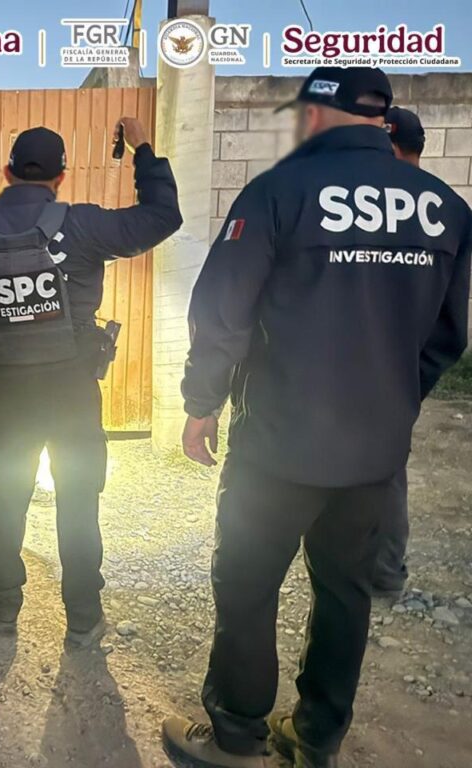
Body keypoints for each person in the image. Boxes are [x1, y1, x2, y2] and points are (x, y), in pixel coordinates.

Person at [164, 67, 472, 768]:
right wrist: (395, 398)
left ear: (316, 114)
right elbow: (447, 336)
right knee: (345, 594)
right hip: (374, 454)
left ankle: (237, 736)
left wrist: (201, 403)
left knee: (247, 585)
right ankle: (316, 739)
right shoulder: (445, 209)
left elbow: (222, 315)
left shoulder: (280, 192)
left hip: (278, 447)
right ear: (381, 118)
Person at [0, 121, 181, 648]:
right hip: (73, 394)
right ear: (61, 176)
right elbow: (163, 216)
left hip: (10, 393)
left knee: (10, 499)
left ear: (7, 172)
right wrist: (143, 151)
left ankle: (3, 606)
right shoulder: (81, 225)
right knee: (79, 502)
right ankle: (84, 618)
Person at [370, 106, 427, 598]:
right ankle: (385, 573)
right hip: (401, 366)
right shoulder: (441, 208)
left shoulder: (368, 205)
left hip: (365, 359)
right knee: (387, 470)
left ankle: (374, 569)